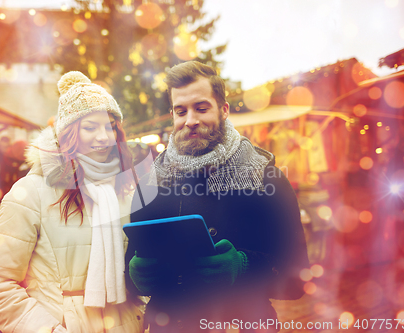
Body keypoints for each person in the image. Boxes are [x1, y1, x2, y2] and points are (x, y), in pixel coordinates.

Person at [126, 61, 309, 333]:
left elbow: (297, 280)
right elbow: (130, 271)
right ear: (172, 115)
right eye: (181, 111)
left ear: (224, 110)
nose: (190, 121)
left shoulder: (265, 177)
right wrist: (134, 276)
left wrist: (243, 266)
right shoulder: (149, 184)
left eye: (201, 108)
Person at [0, 71, 144, 333]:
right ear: (68, 135)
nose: (104, 137)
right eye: (90, 127)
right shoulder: (31, 192)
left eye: (110, 126)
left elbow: (138, 271)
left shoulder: (125, 190)